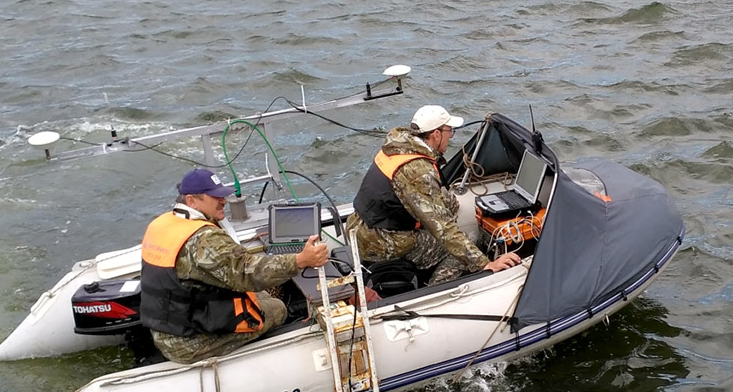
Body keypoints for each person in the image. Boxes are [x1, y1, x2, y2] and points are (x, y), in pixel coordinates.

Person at [139, 168, 328, 364]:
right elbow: (250, 273)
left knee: (260, 296)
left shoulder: (162, 224)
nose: (224, 201)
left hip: (167, 326)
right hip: (189, 343)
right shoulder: (204, 239)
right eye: (215, 197)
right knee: (276, 308)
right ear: (191, 200)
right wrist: (300, 260)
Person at [346, 104, 520, 285]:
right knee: (468, 242)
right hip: (381, 244)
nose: (450, 136)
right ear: (436, 134)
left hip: (360, 229)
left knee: (449, 211)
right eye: (449, 131)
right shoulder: (418, 171)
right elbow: (443, 229)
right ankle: (434, 289)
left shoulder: (397, 148)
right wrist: (485, 263)